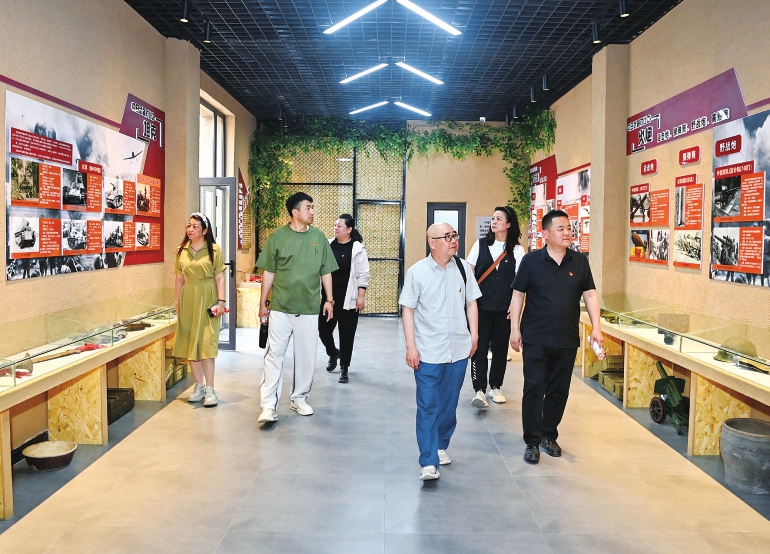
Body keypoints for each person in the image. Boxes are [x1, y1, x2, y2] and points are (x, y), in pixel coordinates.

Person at [509, 209, 604, 464]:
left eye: (569, 228)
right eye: (560, 228)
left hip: (566, 338)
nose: (567, 232)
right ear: (546, 234)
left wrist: (596, 327)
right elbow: (518, 295)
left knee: (559, 390)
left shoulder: (579, 261)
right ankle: (532, 440)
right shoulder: (531, 261)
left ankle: (549, 434)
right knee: (534, 387)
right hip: (536, 337)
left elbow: (590, 294)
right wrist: (515, 329)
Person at [399, 223, 481, 480]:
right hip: (428, 352)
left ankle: (441, 444)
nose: (453, 240)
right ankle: (428, 460)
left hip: (458, 350)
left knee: (448, 405)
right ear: (432, 243)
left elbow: (471, 303)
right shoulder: (417, 272)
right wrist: (411, 346)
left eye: (454, 235)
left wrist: (474, 335)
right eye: (447, 237)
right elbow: (408, 310)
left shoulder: (464, 269)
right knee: (427, 406)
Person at [256, 192, 338, 423]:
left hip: (309, 308)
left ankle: (299, 398)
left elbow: (326, 271)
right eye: (308, 207)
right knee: (274, 356)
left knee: (306, 357)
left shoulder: (319, 237)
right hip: (280, 308)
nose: (313, 211)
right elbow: (269, 272)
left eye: (313, 207)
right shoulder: (277, 237)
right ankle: (268, 406)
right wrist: (262, 304)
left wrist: (329, 300)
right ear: (295, 212)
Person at [466, 205, 525, 409]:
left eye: (499, 219)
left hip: (504, 310)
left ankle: (495, 387)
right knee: (479, 349)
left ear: (508, 224)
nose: (494, 222)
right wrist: (470, 302)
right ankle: (479, 390)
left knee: (500, 350)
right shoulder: (480, 244)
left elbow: (520, 282)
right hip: (481, 308)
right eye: (493, 218)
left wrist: (514, 306)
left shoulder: (517, 250)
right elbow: (470, 273)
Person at [172, 212, 227, 408]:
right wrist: (176, 302)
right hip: (188, 298)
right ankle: (199, 386)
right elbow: (179, 278)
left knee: (206, 343)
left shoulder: (214, 250)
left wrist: (221, 302)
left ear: (204, 230)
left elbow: (220, 278)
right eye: (189, 226)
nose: (190, 229)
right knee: (190, 343)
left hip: (208, 297)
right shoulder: (181, 250)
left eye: (195, 226)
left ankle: (210, 388)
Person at [319, 214, 370, 384]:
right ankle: (333, 353)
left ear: (349, 229)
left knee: (347, 335)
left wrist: (361, 296)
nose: (336, 228)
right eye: (335, 225)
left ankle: (344, 368)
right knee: (323, 330)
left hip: (349, 300)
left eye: (339, 226)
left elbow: (363, 274)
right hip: (329, 299)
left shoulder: (357, 248)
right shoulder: (328, 245)